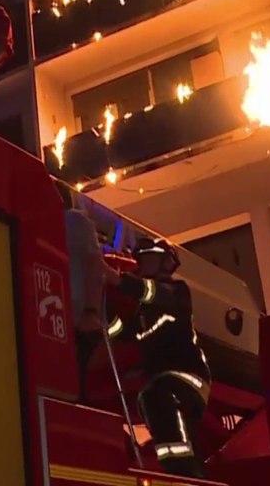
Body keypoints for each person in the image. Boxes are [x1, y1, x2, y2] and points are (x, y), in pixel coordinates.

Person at [103, 236, 211, 479]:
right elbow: (123, 333)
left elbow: (152, 293)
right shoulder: (143, 312)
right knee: (150, 399)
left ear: (165, 263)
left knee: (155, 396)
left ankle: (184, 474)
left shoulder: (177, 293)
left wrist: (115, 278)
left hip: (188, 377)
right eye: (140, 259)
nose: (142, 264)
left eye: (148, 259)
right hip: (163, 379)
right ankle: (181, 470)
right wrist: (103, 313)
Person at [54, 177, 106, 401]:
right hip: (63, 320)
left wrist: (91, 312)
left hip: (78, 321)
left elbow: (96, 265)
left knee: (81, 386)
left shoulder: (73, 220)